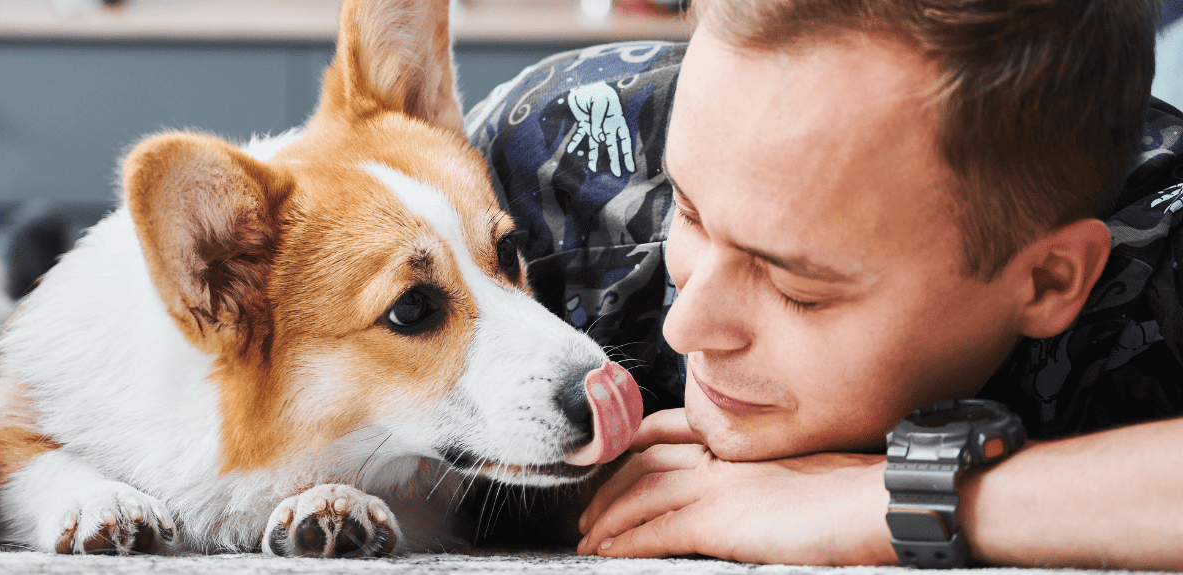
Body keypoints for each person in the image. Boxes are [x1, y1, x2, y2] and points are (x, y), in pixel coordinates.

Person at [465, 0, 1183, 568]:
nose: (686, 326)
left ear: (1048, 280)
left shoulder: (1161, 254)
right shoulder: (540, 168)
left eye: (796, 287)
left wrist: (886, 498)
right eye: (686, 210)